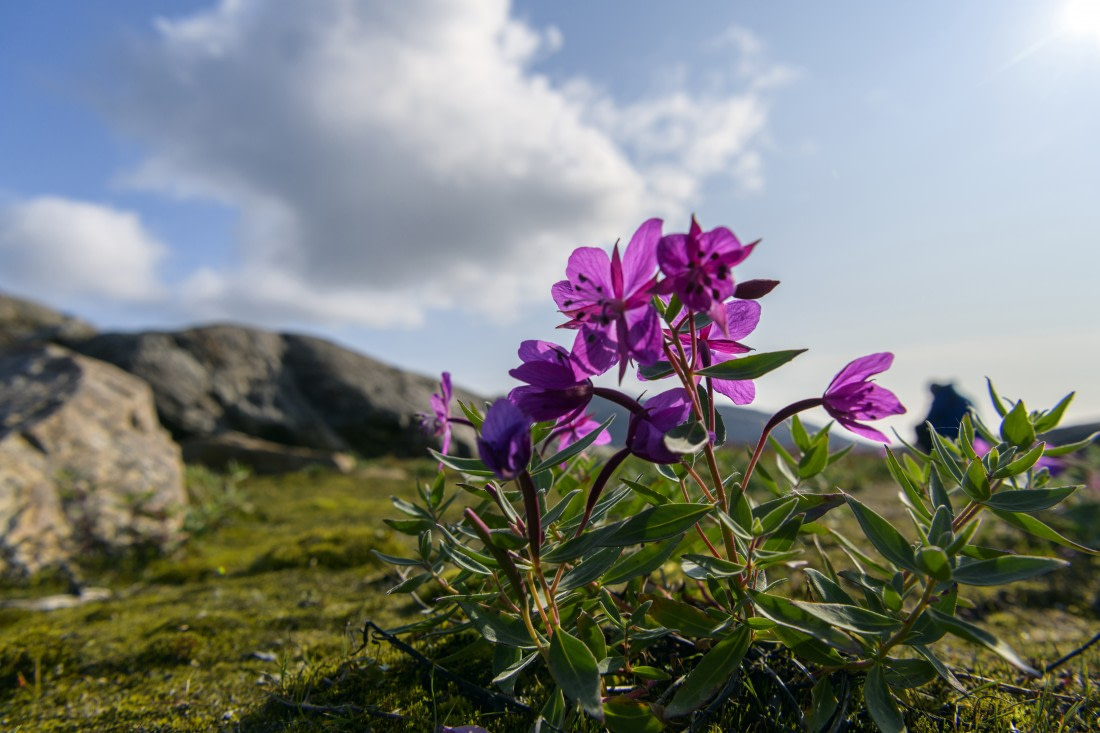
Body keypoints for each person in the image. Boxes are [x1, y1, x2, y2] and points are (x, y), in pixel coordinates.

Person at [916, 382, 972, 452]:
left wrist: (920, 428)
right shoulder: (961, 398)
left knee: (921, 430)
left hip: (951, 434)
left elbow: (932, 416)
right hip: (971, 435)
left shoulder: (942, 396)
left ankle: (935, 456)